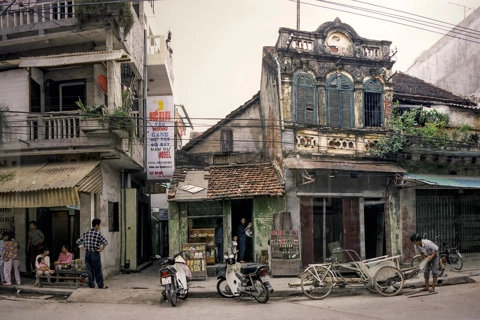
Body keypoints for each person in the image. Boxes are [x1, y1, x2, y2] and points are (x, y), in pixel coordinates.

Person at [77, 218, 108, 289]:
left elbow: (78, 241)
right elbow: (105, 242)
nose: (99, 227)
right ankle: (100, 285)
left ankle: (91, 285)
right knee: (97, 269)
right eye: (99, 225)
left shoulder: (86, 233)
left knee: (89, 270)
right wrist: (100, 249)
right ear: (96, 225)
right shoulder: (98, 234)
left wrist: (82, 248)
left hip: (88, 253)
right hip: (95, 253)